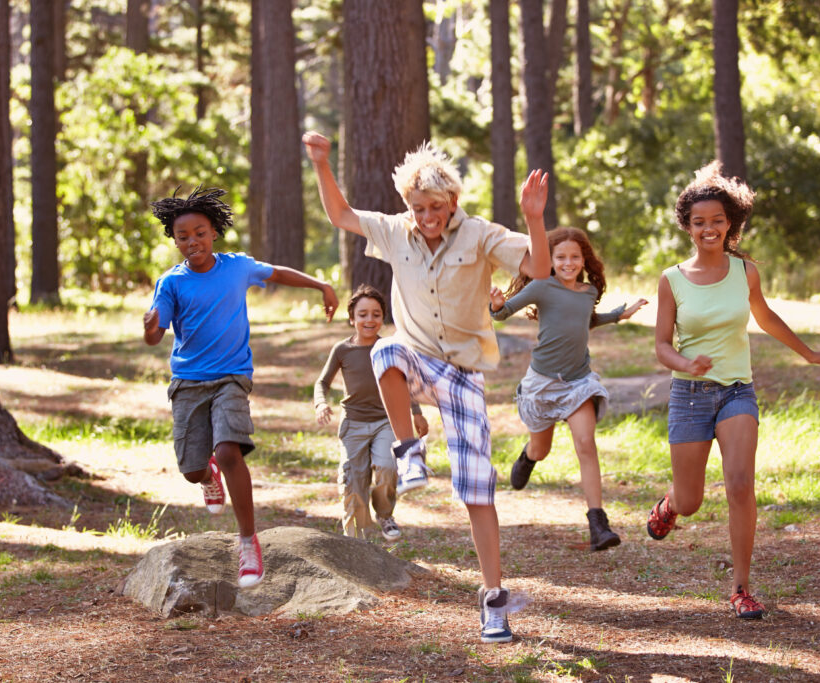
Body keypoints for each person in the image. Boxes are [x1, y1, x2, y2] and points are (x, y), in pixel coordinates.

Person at [303, 131, 550, 643]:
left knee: (478, 492)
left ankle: (494, 602)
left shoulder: (480, 234)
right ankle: (409, 450)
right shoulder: (396, 231)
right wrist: (322, 163)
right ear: (408, 205)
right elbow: (342, 216)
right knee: (384, 349)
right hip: (414, 359)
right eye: (418, 208)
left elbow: (540, 269)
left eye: (435, 207)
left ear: (453, 202)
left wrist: (533, 218)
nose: (427, 217)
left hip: (463, 374)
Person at [650, 162, 820, 619]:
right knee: (691, 501)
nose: (708, 229)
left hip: (737, 391)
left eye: (717, 220)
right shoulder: (671, 279)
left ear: (729, 222)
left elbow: (766, 317)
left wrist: (808, 354)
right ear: (687, 227)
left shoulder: (745, 271)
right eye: (699, 222)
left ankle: (741, 588)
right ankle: (671, 503)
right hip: (690, 393)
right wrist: (685, 362)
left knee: (739, 484)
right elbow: (660, 345)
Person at [143, 186, 339, 589]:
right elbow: (155, 333)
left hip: (232, 377)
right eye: (183, 236)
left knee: (229, 448)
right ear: (174, 241)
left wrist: (321, 285)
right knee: (192, 469)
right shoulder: (171, 283)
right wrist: (149, 328)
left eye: (200, 232)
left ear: (214, 232)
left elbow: (278, 273)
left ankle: (248, 541)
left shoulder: (236, 267)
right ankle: (207, 475)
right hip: (188, 384)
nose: (192, 241)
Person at [488, 227, 646, 551]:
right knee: (541, 449)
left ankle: (598, 524)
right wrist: (496, 304)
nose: (568, 262)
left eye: (575, 257)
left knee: (586, 443)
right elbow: (503, 314)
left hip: (578, 381)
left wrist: (618, 315)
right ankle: (528, 457)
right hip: (542, 384)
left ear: (584, 260)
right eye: (560, 256)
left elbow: (585, 320)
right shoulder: (542, 287)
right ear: (550, 260)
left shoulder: (587, 292)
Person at [314, 284, 430, 541]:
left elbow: (403, 383)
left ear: (382, 318)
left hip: (385, 422)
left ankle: (385, 513)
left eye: (376, 314)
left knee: (388, 467)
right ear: (352, 318)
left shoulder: (389, 348)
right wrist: (321, 403)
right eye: (363, 314)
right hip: (353, 424)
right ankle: (357, 539)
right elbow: (321, 383)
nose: (369, 320)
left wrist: (416, 412)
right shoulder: (342, 350)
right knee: (353, 480)